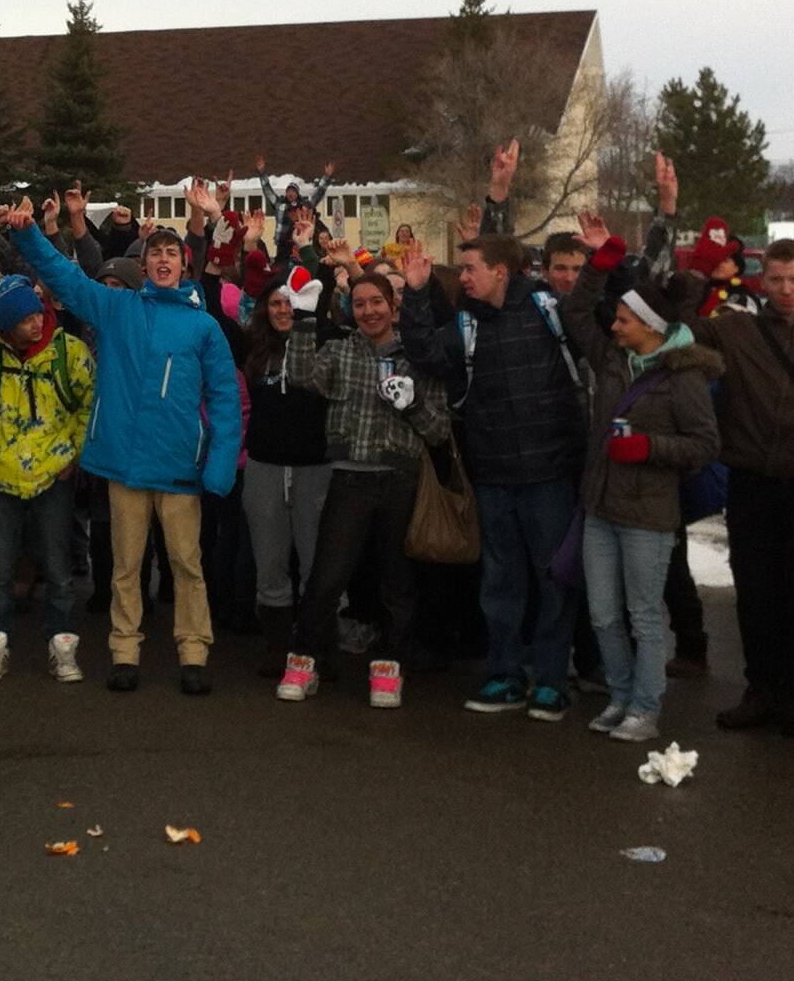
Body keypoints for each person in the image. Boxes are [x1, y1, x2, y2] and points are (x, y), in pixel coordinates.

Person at [649, 162, 794, 741]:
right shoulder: (738, 330)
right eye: (777, 280)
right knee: (755, 593)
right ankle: (759, 689)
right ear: (761, 280)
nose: (788, 290)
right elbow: (677, 328)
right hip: (751, 481)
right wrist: (689, 255)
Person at [7, 191, 242, 695]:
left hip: (180, 467)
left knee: (186, 565)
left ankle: (194, 650)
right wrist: (28, 232)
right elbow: (64, 276)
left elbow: (223, 398)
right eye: (154, 253)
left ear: (183, 264)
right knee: (124, 567)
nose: (162, 260)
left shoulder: (203, 327)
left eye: (171, 253)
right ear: (143, 263)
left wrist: (220, 464)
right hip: (124, 465)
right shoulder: (114, 308)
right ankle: (124, 649)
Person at [399, 216, 586, 722]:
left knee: (554, 579)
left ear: (500, 271)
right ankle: (504, 673)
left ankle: (550, 678)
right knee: (500, 581)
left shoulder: (550, 311)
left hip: (549, 473)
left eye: (469, 268)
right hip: (494, 474)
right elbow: (426, 353)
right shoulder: (467, 324)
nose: (462, 277)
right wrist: (415, 294)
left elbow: (600, 321)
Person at [557, 214, 723, 743]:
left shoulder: (682, 376)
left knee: (644, 616)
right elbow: (576, 311)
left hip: (649, 516)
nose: (614, 325)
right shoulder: (611, 359)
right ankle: (621, 696)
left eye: (624, 318)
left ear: (650, 326)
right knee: (604, 615)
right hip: (600, 507)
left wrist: (649, 447)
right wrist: (600, 266)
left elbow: (704, 446)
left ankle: (645, 709)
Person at [273, 267, 450, 709]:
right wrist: (303, 321)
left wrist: (411, 406)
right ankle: (307, 659)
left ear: (393, 305)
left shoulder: (418, 356)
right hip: (350, 479)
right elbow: (298, 379)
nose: (369, 311)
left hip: (400, 479)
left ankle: (390, 666)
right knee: (327, 577)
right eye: (359, 303)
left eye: (377, 302)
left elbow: (440, 430)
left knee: (397, 582)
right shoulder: (340, 351)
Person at [0, 269, 96, 683]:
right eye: (26, 318)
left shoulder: (69, 352)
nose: (37, 322)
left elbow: (90, 404)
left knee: (58, 567)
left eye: (38, 314)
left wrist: (75, 454)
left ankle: (62, 646)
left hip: (54, 475)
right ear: (5, 323)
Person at [236, 272, 333, 675]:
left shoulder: (324, 344)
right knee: (270, 563)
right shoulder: (252, 348)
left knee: (318, 566)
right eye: (275, 302)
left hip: (315, 468)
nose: (282, 310)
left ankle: (316, 650)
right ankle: (278, 649)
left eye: (289, 302)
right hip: (264, 468)